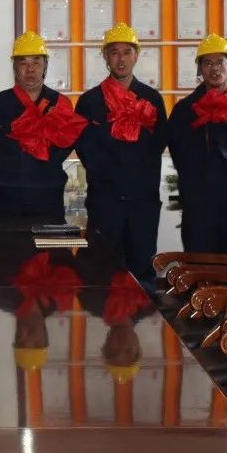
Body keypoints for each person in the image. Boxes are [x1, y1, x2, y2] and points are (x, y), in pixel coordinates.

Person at [74, 22, 167, 289]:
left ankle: (144, 315)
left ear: (136, 56)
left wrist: (135, 172)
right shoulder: (90, 101)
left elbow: (158, 143)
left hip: (142, 201)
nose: (121, 59)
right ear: (105, 57)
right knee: (100, 269)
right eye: (114, 52)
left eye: (127, 52)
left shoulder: (151, 98)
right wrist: (110, 174)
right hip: (105, 200)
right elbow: (85, 147)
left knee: (142, 270)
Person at [0, 31, 86, 225]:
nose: (30, 69)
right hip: (9, 198)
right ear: (15, 67)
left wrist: (38, 160)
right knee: (8, 244)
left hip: (49, 196)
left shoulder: (60, 103)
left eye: (36, 62)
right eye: (23, 62)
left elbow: (63, 147)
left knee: (49, 244)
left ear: (45, 66)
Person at [169, 33, 227, 254]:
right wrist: (193, 181)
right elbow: (177, 151)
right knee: (198, 258)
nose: (215, 68)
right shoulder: (184, 110)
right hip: (198, 200)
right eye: (207, 62)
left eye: (220, 62)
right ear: (199, 69)